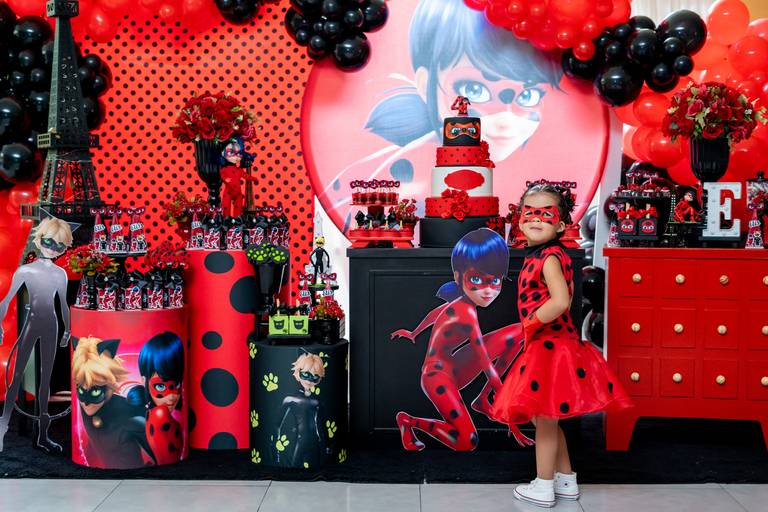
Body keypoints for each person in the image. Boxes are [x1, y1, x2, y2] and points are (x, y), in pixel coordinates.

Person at [318, 0, 562, 225]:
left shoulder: (535, 186)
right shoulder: (377, 173)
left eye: (528, 96)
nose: (505, 120)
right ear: (425, 84)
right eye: (474, 89)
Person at [491, 183, 633, 508]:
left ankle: (543, 486)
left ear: (560, 225)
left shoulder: (550, 258)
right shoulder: (542, 255)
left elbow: (560, 301)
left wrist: (531, 322)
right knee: (548, 417)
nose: (535, 219)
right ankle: (566, 479)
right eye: (529, 213)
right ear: (519, 219)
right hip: (547, 344)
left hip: (551, 346)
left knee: (544, 419)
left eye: (545, 214)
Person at [390, 228, 530, 451]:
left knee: (521, 331)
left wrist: (414, 332)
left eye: (495, 281)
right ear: (457, 277)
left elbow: (436, 313)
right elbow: (486, 365)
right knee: (467, 441)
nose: (487, 291)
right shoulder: (468, 314)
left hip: (454, 365)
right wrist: (510, 419)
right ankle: (408, 421)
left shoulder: (460, 302)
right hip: (436, 377)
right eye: (476, 279)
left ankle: (483, 400)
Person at [0, 217, 73, 453]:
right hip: (33, 323)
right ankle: (3, 427)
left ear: (64, 248)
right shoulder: (26, 270)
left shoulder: (60, 274)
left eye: (59, 245)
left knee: (45, 380)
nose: (52, 248)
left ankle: (42, 434)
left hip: (51, 324)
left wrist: (67, 329)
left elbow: (63, 305)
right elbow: (6, 300)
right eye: (49, 241)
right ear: (39, 240)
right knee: (18, 375)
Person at [71, 336, 155, 468]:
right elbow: (94, 442)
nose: (86, 403)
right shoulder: (89, 405)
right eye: (81, 390)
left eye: (95, 392)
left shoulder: (130, 413)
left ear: (109, 385)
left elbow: (161, 453)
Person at [133, 332, 185, 465]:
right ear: (144, 381)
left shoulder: (173, 420)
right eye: (160, 386)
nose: (171, 397)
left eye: (176, 385)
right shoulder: (157, 417)